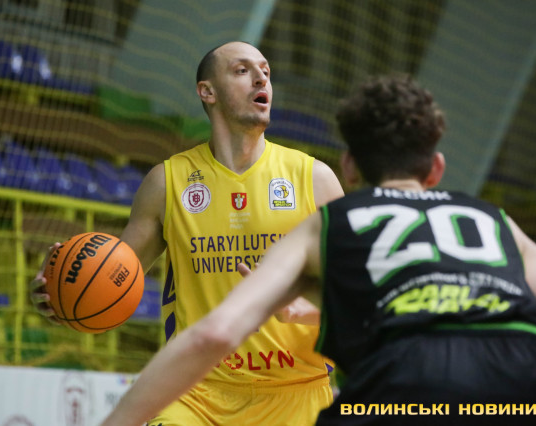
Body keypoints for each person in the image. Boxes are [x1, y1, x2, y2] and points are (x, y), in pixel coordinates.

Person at [98, 74, 536, 426]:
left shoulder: (334, 222)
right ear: (436, 170)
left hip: (405, 381)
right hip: (524, 383)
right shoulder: (493, 220)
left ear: (349, 169)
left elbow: (214, 335)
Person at [31, 41, 344, 425]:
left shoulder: (314, 179)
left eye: (265, 70)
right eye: (242, 70)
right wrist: (62, 292)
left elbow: (357, 297)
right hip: (194, 394)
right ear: (207, 91)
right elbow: (114, 277)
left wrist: (297, 309)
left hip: (297, 394)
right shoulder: (167, 182)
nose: (261, 78)